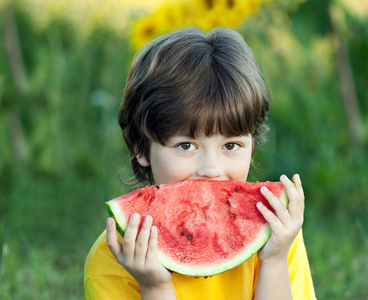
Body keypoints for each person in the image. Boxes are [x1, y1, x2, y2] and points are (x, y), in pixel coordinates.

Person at [84, 27, 316, 300]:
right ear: (141, 149)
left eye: (231, 145)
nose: (211, 169)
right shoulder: (111, 261)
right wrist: (155, 287)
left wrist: (274, 262)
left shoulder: (278, 233)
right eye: (186, 146)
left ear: (252, 145)